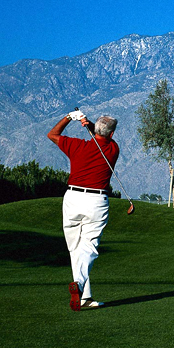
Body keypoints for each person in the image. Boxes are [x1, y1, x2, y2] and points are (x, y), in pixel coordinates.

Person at [47, 109, 119, 311]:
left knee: (75, 249)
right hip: (96, 201)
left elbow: (52, 134)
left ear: (95, 130)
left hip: (72, 198)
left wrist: (69, 117)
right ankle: (79, 284)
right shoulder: (113, 149)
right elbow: (103, 137)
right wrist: (91, 126)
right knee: (88, 247)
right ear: (112, 133)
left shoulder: (76, 145)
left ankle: (84, 297)